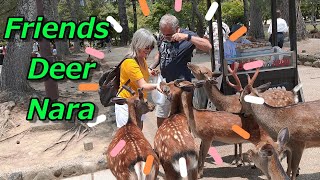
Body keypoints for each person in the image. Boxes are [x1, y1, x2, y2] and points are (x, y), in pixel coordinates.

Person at [149, 14, 212, 127]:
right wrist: (152, 67)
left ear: (177, 28)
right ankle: (162, 140)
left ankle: (185, 142)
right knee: (161, 114)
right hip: (165, 83)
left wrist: (187, 37)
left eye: (169, 34)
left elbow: (208, 46)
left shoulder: (187, 35)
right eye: (164, 34)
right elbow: (160, 54)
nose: (166, 36)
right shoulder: (162, 36)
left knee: (183, 116)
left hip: (181, 85)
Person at [115, 28, 162, 129]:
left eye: (151, 47)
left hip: (139, 104)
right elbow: (143, 86)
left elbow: (139, 73)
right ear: (138, 44)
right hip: (127, 104)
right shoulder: (130, 62)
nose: (149, 50)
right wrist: (157, 86)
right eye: (147, 47)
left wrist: (149, 72)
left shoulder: (141, 58)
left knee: (138, 133)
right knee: (127, 136)